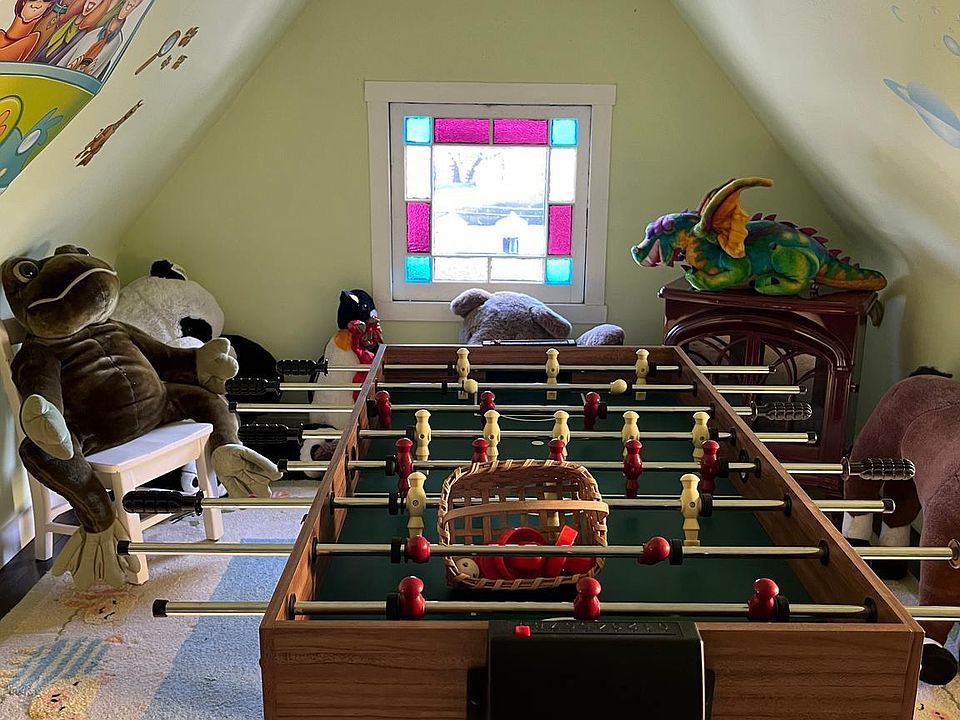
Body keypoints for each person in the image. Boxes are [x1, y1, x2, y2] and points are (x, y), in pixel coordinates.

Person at [64, 0, 142, 78]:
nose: (128, 8)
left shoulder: (117, 41)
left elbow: (101, 67)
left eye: (132, 6)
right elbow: (68, 56)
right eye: (128, 4)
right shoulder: (93, 33)